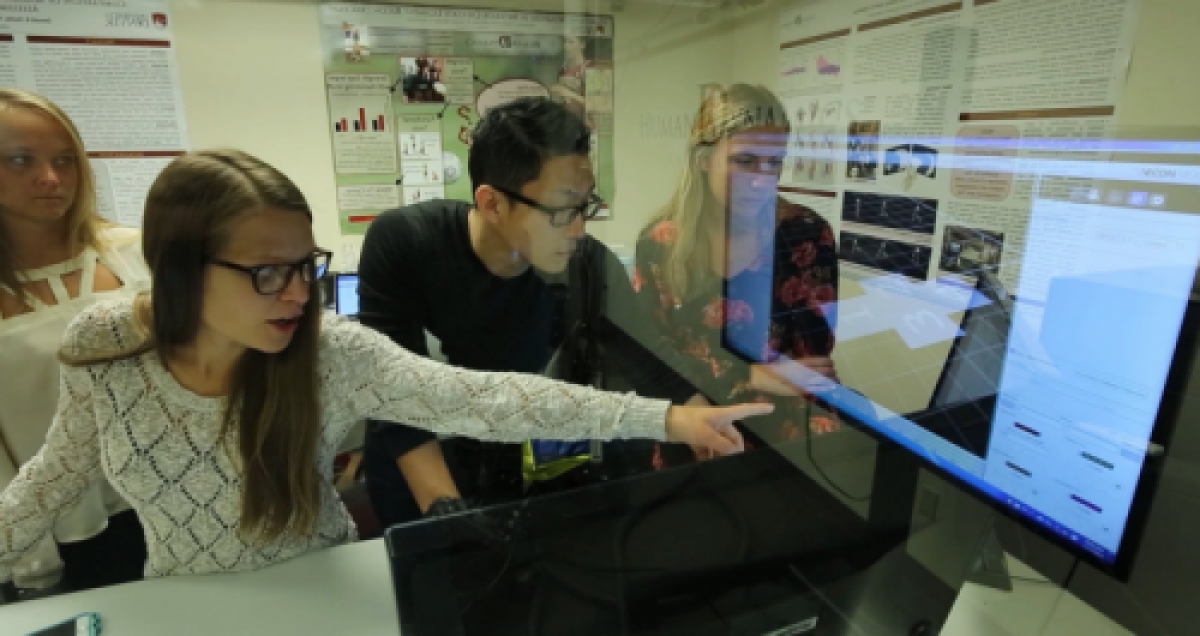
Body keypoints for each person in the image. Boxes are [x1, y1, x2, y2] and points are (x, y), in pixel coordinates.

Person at [0, 148, 772, 581]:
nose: (298, 293)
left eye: (307, 264)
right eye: (268, 271)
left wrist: (665, 415)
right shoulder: (107, 343)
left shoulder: (327, 350)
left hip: (326, 593)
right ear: (179, 268)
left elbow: (484, 399)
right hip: (184, 609)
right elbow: (53, 474)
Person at [358, 97, 703, 529]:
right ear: (492, 204)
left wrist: (703, 414)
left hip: (512, 455)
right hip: (420, 459)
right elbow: (393, 394)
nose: (579, 228)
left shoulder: (586, 264)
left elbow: (645, 356)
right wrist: (444, 509)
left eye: (585, 204)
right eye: (561, 209)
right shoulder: (405, 244)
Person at [631, 84, 840, 467]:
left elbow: (813, 360)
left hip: (787, 431)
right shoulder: (661, 243)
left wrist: (742, 375)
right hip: (695, 423)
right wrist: (748, 375)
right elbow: (651, 355)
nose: (762, 179)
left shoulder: (806, 233)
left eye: (774, 162)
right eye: (745, 161)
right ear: (705, 159)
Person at [0, 88, 149, 596]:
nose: (50, 178)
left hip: (167, 499)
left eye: (65, 160)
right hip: (62, 531)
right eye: (21, 161)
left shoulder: (135, 255)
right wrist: (28, 559)